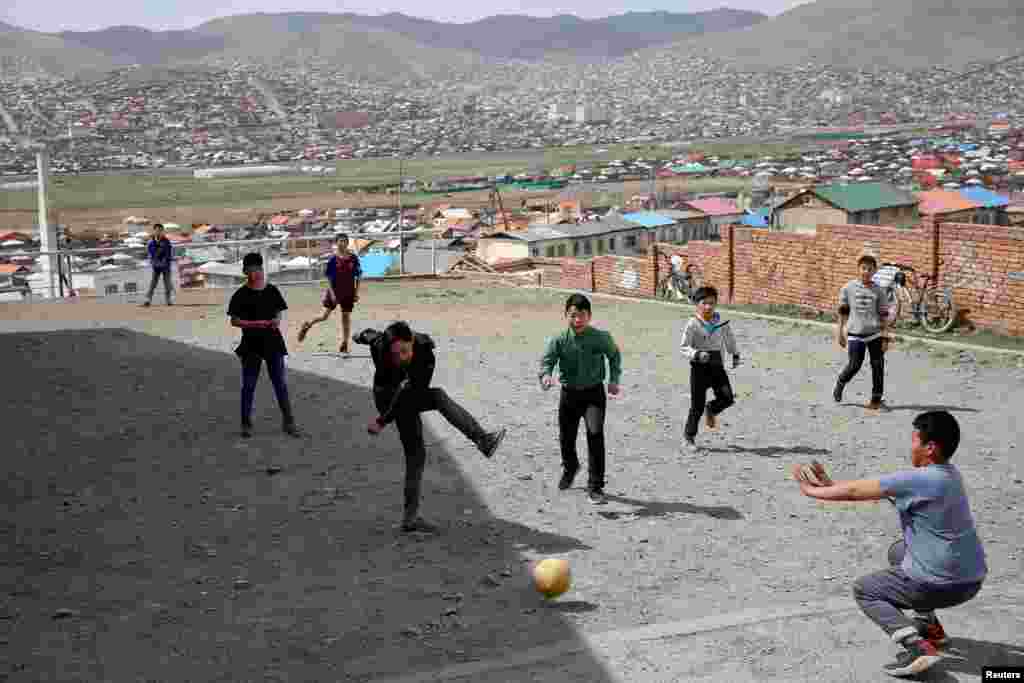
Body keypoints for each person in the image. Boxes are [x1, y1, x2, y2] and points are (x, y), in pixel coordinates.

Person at [792, 411, 987, 678]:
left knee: (865, 590)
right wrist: (831, 485)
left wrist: (811, 491)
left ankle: (919, 648)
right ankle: (931, 629)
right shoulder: (950, 475)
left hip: (943, 584)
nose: (911, 446)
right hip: (972, 579)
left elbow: (853, 493)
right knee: (899, 552)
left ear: (929, 447)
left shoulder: (921, 479)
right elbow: (875, 492)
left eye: (915, 440)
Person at [355, 321, 507, 533]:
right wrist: (357, 336)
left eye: (404, 351)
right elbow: (367, 334)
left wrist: (383, 421)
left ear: (412, 342)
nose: (399, 358)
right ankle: (410, 518)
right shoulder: (381, 344)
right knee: (416, 450)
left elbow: (410, 396)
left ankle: (483, 440)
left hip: (405, 395)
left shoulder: (425, 354)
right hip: (385, 396)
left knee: (435, 401)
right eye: (394, 354)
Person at [539, 293, 623, 505]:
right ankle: (570, 467)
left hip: (594, 395)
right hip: (569, 395)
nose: (577, 320)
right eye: (573, 315)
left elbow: (614, 355)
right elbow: (547, 362)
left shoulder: (601, 337)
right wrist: (546, 376)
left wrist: (614, 379)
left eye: (582, 315)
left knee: (595, 434)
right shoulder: (559, 340)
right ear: (566, 315)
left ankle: (595, 487)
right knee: (566, 438)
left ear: (589, 316)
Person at [227, 252, 300, 439]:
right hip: (250, 345)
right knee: (249, 385)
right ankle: (245, 423)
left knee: (280, 383)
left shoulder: (272, 291)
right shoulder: (240, 294)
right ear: (245, 271)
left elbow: (278, 313)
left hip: (273, 343)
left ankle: (289, 420)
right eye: (251, 270)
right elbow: (234, 321)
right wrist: (255, 324)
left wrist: (276, 321)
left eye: (258, 269)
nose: (255, 273)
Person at [679, 286, 740, 453]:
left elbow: (729, 339)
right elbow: (684, 347)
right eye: (704, 303)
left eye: (712, 303)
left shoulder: (722, 323)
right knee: (696, 406)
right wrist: (697, 354)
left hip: (717, 365)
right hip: (699, 368)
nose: (708, 307)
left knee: (727, 398)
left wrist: (735, 354)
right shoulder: (692, 323)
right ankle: (689, 437)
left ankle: (711, 409)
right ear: (697, 304)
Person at [835, 254, 890, 410]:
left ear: (874, 271)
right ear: (858, 269)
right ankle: (840, 382)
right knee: (854, 365)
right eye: (863, 268)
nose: (866, 271)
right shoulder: (848, 288)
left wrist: (885, 337)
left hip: (875, 334)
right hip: (855, 335)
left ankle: (876, 399)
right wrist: (839, 333)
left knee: (878, 366)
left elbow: (884, 315)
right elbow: (842, 312)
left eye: (870, 269)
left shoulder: (879, 291)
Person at [298, 234, 362, 353]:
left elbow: (358, 276)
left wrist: (356, 292)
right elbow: (328, 278)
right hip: (335, 292)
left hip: (349, 292)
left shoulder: (353, 258)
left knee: (346, 317)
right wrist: (332, 294)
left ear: (347, 243)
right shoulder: (333, 259)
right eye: (339, 241)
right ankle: (307, 325)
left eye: (344, 241)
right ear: (336, 243)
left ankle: (345, 343)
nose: (342, 243)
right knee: (324, 316)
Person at [142, 223, 174, 306]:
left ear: (162, 231)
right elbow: (150, 254)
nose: (158, 232)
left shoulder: (166, 241)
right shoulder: (151, 242)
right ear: (154, 231)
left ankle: (168, 300)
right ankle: (148, 300)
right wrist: (152, 261)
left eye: (160, 230)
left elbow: (168, 254)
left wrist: (165, 261)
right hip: (156, 266)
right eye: (157, 230)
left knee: (167, 284)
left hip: (165, 266)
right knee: (153, 283)